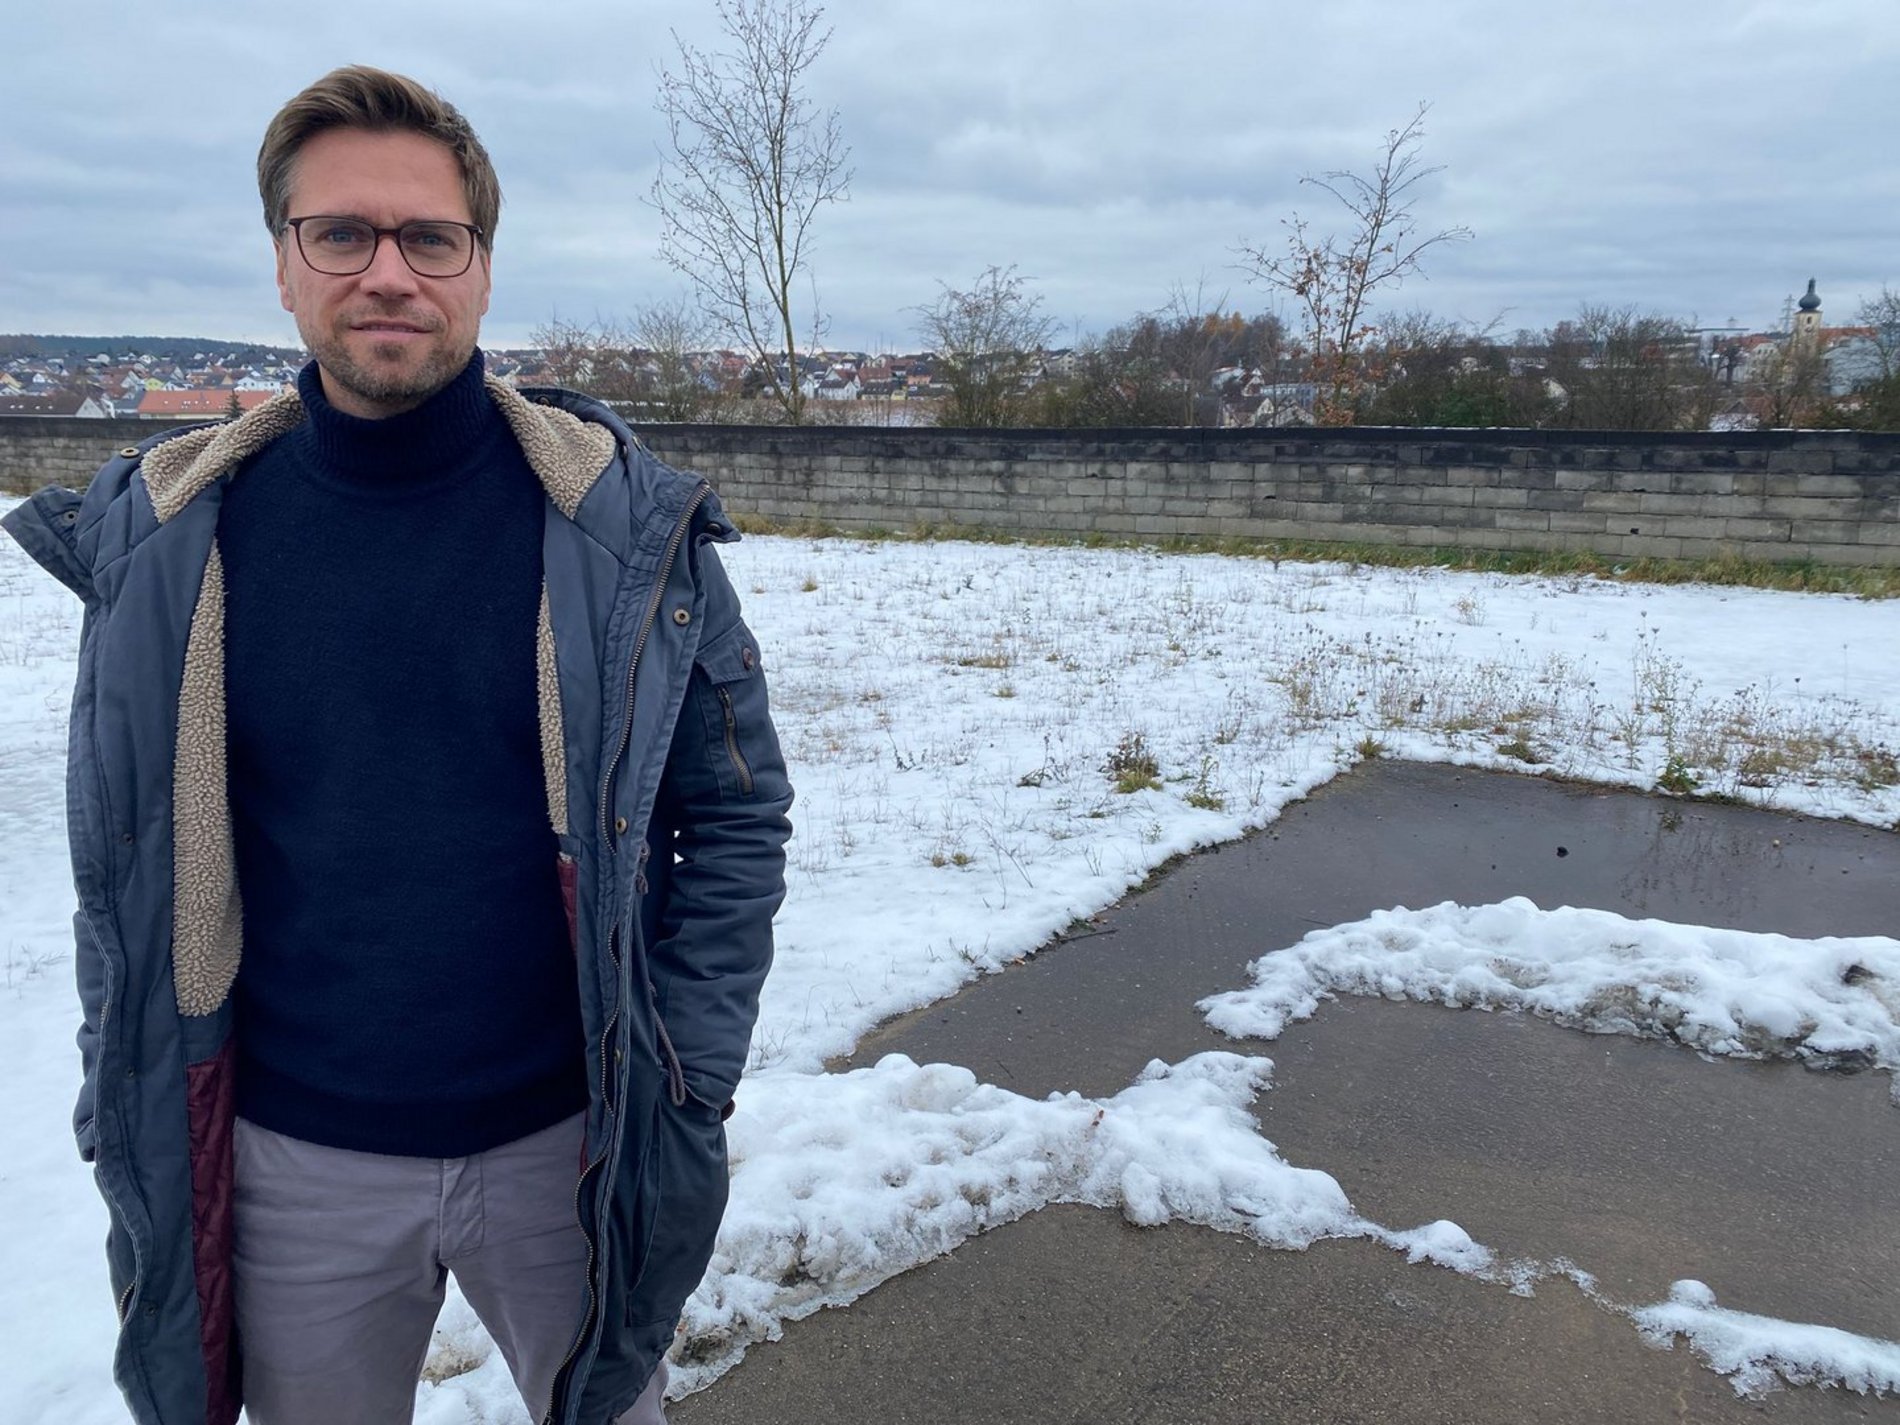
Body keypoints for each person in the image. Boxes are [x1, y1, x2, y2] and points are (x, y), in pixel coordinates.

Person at [0, 64, 792, 1425]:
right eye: (342, 234)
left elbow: (734, 813)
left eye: (430, 237)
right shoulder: (174, 543)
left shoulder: (619, 529)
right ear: (285, 265)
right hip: (297, 1161)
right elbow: (120, 860)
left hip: (575, 1144)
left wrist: (687, 1072)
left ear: (481, 269)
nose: (389, 272)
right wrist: (113, 1076)